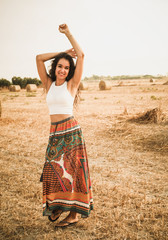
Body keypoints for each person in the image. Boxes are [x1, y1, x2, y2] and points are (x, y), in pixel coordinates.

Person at [36, 24, 93, 228]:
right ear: (55, 68)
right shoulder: (48, 83)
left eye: (67, 67)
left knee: (74, 174)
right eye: (60, 66)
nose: (63, 70)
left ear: (70, 71)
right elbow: (39, 58)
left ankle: (73, 215)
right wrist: (62, 53)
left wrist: (68, 34)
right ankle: (59, 206)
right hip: (55, 134)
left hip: (71, 132)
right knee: (53, 172)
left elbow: (82, 55)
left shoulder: (72, 84)